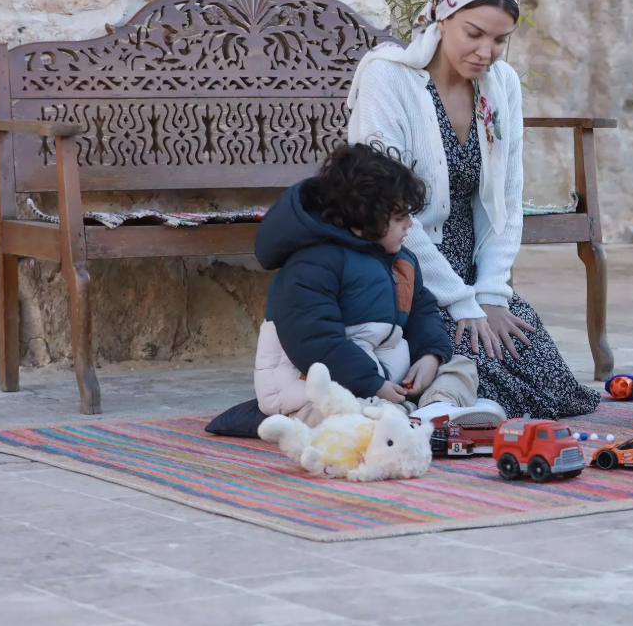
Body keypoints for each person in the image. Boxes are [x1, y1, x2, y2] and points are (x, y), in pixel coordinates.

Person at [345, 0, 599, 419]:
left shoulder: (501, 85)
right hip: (400, 264)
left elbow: (506, 199)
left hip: (471, 272)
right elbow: (386, 209)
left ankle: (458, 402)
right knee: (478, 363)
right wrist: (462, 303)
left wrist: (491, 295)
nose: (487, 51)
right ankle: (447, 406)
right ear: (443, 18)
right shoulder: (388, 79)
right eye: (474, 33)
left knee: (550, 383)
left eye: (500, 40)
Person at [206, 143, 502, 437]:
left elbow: (423, 310)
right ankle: (401, 423)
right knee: (338, 414)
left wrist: (431, 356)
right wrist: (372, 385)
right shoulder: (313, 263)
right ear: (361, 221)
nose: (411, 224)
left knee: (460, 365)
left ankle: (435, 411)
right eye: (399, 218)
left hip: (385, 383)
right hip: (316, 388)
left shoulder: (401, 261)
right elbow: (317, 341)